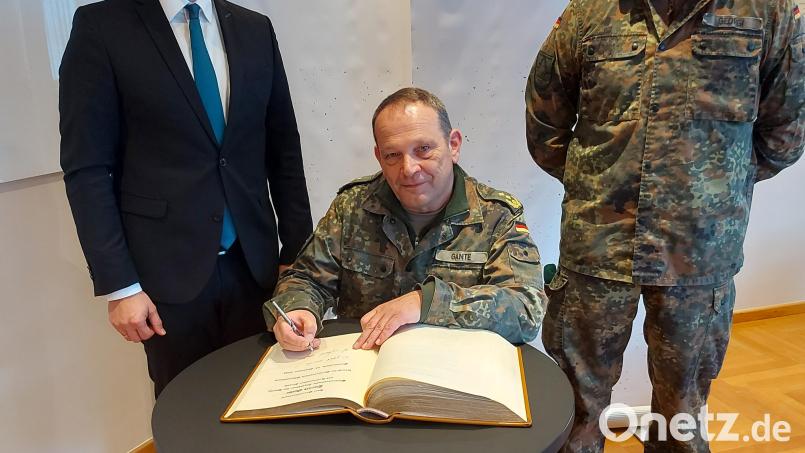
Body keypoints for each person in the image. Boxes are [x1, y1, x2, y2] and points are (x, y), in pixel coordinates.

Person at [525, 0, 804, 451]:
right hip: (599, 244)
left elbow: (785, 132)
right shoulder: (591, 12)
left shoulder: (767, 13)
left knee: (682, 416)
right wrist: (597, 183)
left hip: (699, 252)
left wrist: (715, 187)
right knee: (575, 409)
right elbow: (545, 121)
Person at [59, 0, 312, 396]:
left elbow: (283, 151)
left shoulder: (255, 28)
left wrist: (297, 259)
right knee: (187, 411)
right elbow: (87, 168)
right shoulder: (101, 26)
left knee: (268, 400)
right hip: (166, 279)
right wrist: (120, 286)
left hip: (256, 269)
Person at [265, 87, 546, 351]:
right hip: (362, 370)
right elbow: (305, 278)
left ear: (454, 145)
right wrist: (298, 308)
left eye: (423, 149)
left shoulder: (496, 216)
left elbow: (526, 309)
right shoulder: (352, 207)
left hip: (454, 375)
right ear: (379, 157)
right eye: (392, 155)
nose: (409, 169)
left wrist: (427, 302)